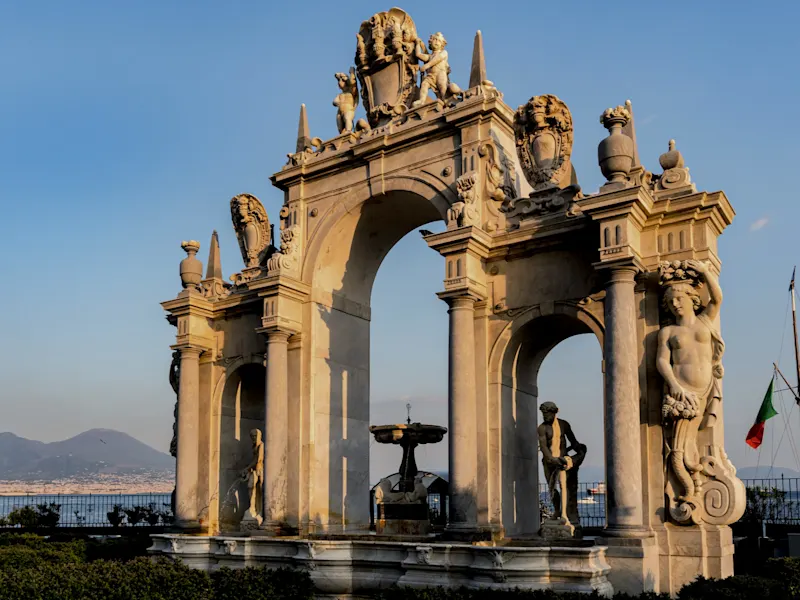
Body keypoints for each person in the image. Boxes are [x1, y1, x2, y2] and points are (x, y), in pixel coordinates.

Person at [657, 259, 724, 502]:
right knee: (679, 445)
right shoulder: (668, 332)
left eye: (679, 298)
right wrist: (674, 386)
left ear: (691, 298)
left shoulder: (705, 320)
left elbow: (717, 300)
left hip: (704, 389)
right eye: (670, 301)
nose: (675, 304)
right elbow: (662, 361)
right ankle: (689, 486)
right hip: (682, 393)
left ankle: (693, 481)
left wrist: (705, 272)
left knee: (691, 438)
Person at [537, 402, 585, 524]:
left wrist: (580, 450)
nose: (545, 416)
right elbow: (544, 448)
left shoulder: (564, 425)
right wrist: (553, 460)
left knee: (564, 486)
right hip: (549, 462)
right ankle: (557, 511)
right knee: (552, 488)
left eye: (547, 414)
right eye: (543, 414)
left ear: (555, 412)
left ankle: (564, 514)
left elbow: (573, 441)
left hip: (562, 460)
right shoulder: (542, 428)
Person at [240, 429, 264, 522]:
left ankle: (257, 510)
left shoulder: (261, 445)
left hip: (259, 471)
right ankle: (252, 507)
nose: (254, 438)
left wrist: (247, 468)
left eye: (255, 436)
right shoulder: (254, 446)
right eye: (252, 436)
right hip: (255, 470)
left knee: (259, 490)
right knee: (251, 487)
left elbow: (258, 459)